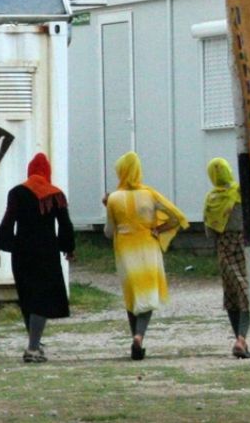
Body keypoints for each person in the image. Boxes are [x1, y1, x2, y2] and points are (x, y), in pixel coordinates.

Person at [0, 152, 75, 363]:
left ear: (30, 171)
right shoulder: (55, 194)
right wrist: (68, 248)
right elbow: (65, 224)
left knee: (28, 296)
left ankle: (34, 344)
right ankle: (33, 348)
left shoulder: (17, 193)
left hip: (22, 252)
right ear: (47, 172)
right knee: (42, 298)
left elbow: (8, 220)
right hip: (46, 252)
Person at [103, 151, 189, 360]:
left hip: (125, 248)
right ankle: (139, 337)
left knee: (132, 292)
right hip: (148, 246)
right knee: (148, 294)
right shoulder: (150, 194)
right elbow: (177, 217)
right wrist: (159, 229)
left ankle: (135, 337)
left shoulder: (113, 198)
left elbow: (108, 231)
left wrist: (108, 208)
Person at [203, 157, 250, 359]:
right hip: (247, 246)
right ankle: (241, 340)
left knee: (234, 294)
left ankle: (239, 339)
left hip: (224, 249)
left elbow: (210, 232)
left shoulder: (211, 199)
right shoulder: (243, 193)